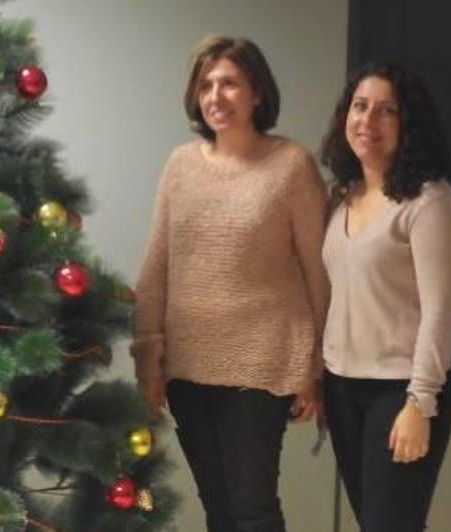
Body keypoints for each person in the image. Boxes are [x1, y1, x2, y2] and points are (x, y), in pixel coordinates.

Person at [130, 35, 330, 532]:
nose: (216, 97)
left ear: (258, 92)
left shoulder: (291, 166)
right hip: (188, 368)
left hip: (261, 368)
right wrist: (147, 361)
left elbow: (320, 273)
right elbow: (156, 269)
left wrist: (317, 368)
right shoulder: (180, 166)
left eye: (230, 84)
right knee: (218, 508)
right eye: (206, 85)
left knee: (253, 509)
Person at [318, 62, 451, 532]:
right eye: (360, 106)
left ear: (408, 125)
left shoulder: (430, 203)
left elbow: (440, 312)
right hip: (342, 388)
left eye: (387, 111)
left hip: (401, 391)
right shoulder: (343, 195)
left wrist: (420, 401)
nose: (368, 120)